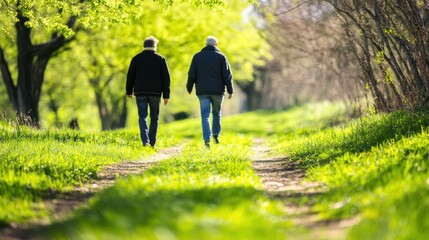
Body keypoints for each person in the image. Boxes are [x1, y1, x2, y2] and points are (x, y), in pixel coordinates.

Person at [186, 36, 234, 148]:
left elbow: (192, 74)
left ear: (206, 44)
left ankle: (207, 139)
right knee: (216, 113)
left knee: (205, 116)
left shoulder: (197, 57)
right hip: (218, 91)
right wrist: (230, 90)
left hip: (202, 91)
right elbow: (227, 75)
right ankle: (216, 135)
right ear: (216, 45)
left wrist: (189, 87)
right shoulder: (222, 57)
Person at [126, 36, 170, 147]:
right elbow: (166, 78)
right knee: (154, 117)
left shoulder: (136, 59)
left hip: (140, 92)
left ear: (144, 46)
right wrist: (166, 95)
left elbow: (130, 76)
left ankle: (145, 141)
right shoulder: (160, 59)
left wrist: (129, 90)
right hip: (155, 93)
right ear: (155, 46)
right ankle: (152, 141)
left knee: (142, 116)